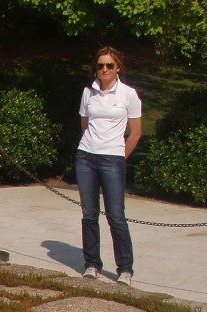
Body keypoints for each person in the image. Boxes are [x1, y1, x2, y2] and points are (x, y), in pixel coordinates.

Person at [76, 46, 142, 286]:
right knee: (89, 215)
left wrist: (119, 156)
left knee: (116, 216)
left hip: (113, 159)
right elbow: (85, 123)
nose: (104, 69)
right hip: (86, 157)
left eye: (109, 65)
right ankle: (91, 264)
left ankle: (125, 268)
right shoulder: (88, 92)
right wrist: (92, 146)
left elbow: (135, 133)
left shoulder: (128, 94)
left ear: (118, 68)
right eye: (100, 65)